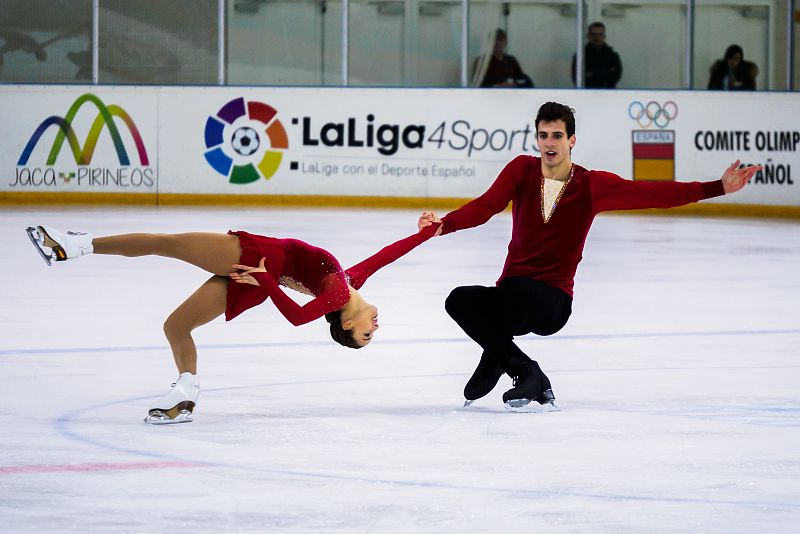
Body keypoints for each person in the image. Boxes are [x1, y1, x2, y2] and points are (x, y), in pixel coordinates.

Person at [418, 101, 761, 412]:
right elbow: (486, 206)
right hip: (512, 295)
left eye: (557, 135)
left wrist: (717, 187)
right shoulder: (521, 171)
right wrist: (444, 225)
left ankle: (513, 363)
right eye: (543, 135)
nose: (549, 143)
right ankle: (510, 359)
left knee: (512, 293)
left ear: (572, 141)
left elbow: (652, 193)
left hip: (551, 302)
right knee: (459, 300)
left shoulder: (591, 185)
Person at [26, 218, 441, 424]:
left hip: (264, 261)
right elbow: (392, 252)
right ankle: (185, 394)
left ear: (348, 326)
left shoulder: (335, 295)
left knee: (165, 244)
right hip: (263, 274)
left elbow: (297, 318)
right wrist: (429, 232)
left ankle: (72, 246)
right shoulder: (351, 282)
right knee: (176, 326)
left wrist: (265, 277)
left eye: (368, 337)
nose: (376, 330)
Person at [571, 22, 622, 88]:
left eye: (600, 35)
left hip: (609, 94)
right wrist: (606, 73)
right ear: (588, 36)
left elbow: (615, 77)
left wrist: (591, 74)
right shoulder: (580, 56)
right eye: (594, 35)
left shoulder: (613, 56)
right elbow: (577, 78)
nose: (597, 37)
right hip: (585, 94)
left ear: (604, 36)